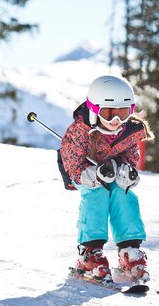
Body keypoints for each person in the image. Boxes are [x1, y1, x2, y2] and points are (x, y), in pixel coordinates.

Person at [60, 75, 154, 283]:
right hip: (83, 173)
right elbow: (72, 164)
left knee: (123, 193)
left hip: (112, 171)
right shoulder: (80, 130)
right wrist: (91, 174)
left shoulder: (129, 130)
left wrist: (127, 173)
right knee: (98, 193)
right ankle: (90, 252)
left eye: (122, 113)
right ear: (94, 110)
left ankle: (129, 250)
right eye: (109, 113)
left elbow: (131, 157)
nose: (115, 121)